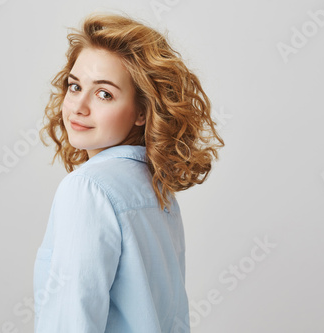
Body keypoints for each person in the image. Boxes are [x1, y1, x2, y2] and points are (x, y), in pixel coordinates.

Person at [33, 12, 224, 333]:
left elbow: (71, 320)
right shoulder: (155, 189)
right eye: (75, 86)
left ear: (141, 111)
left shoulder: (88, 188)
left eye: (104, 93)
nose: (79, 106)